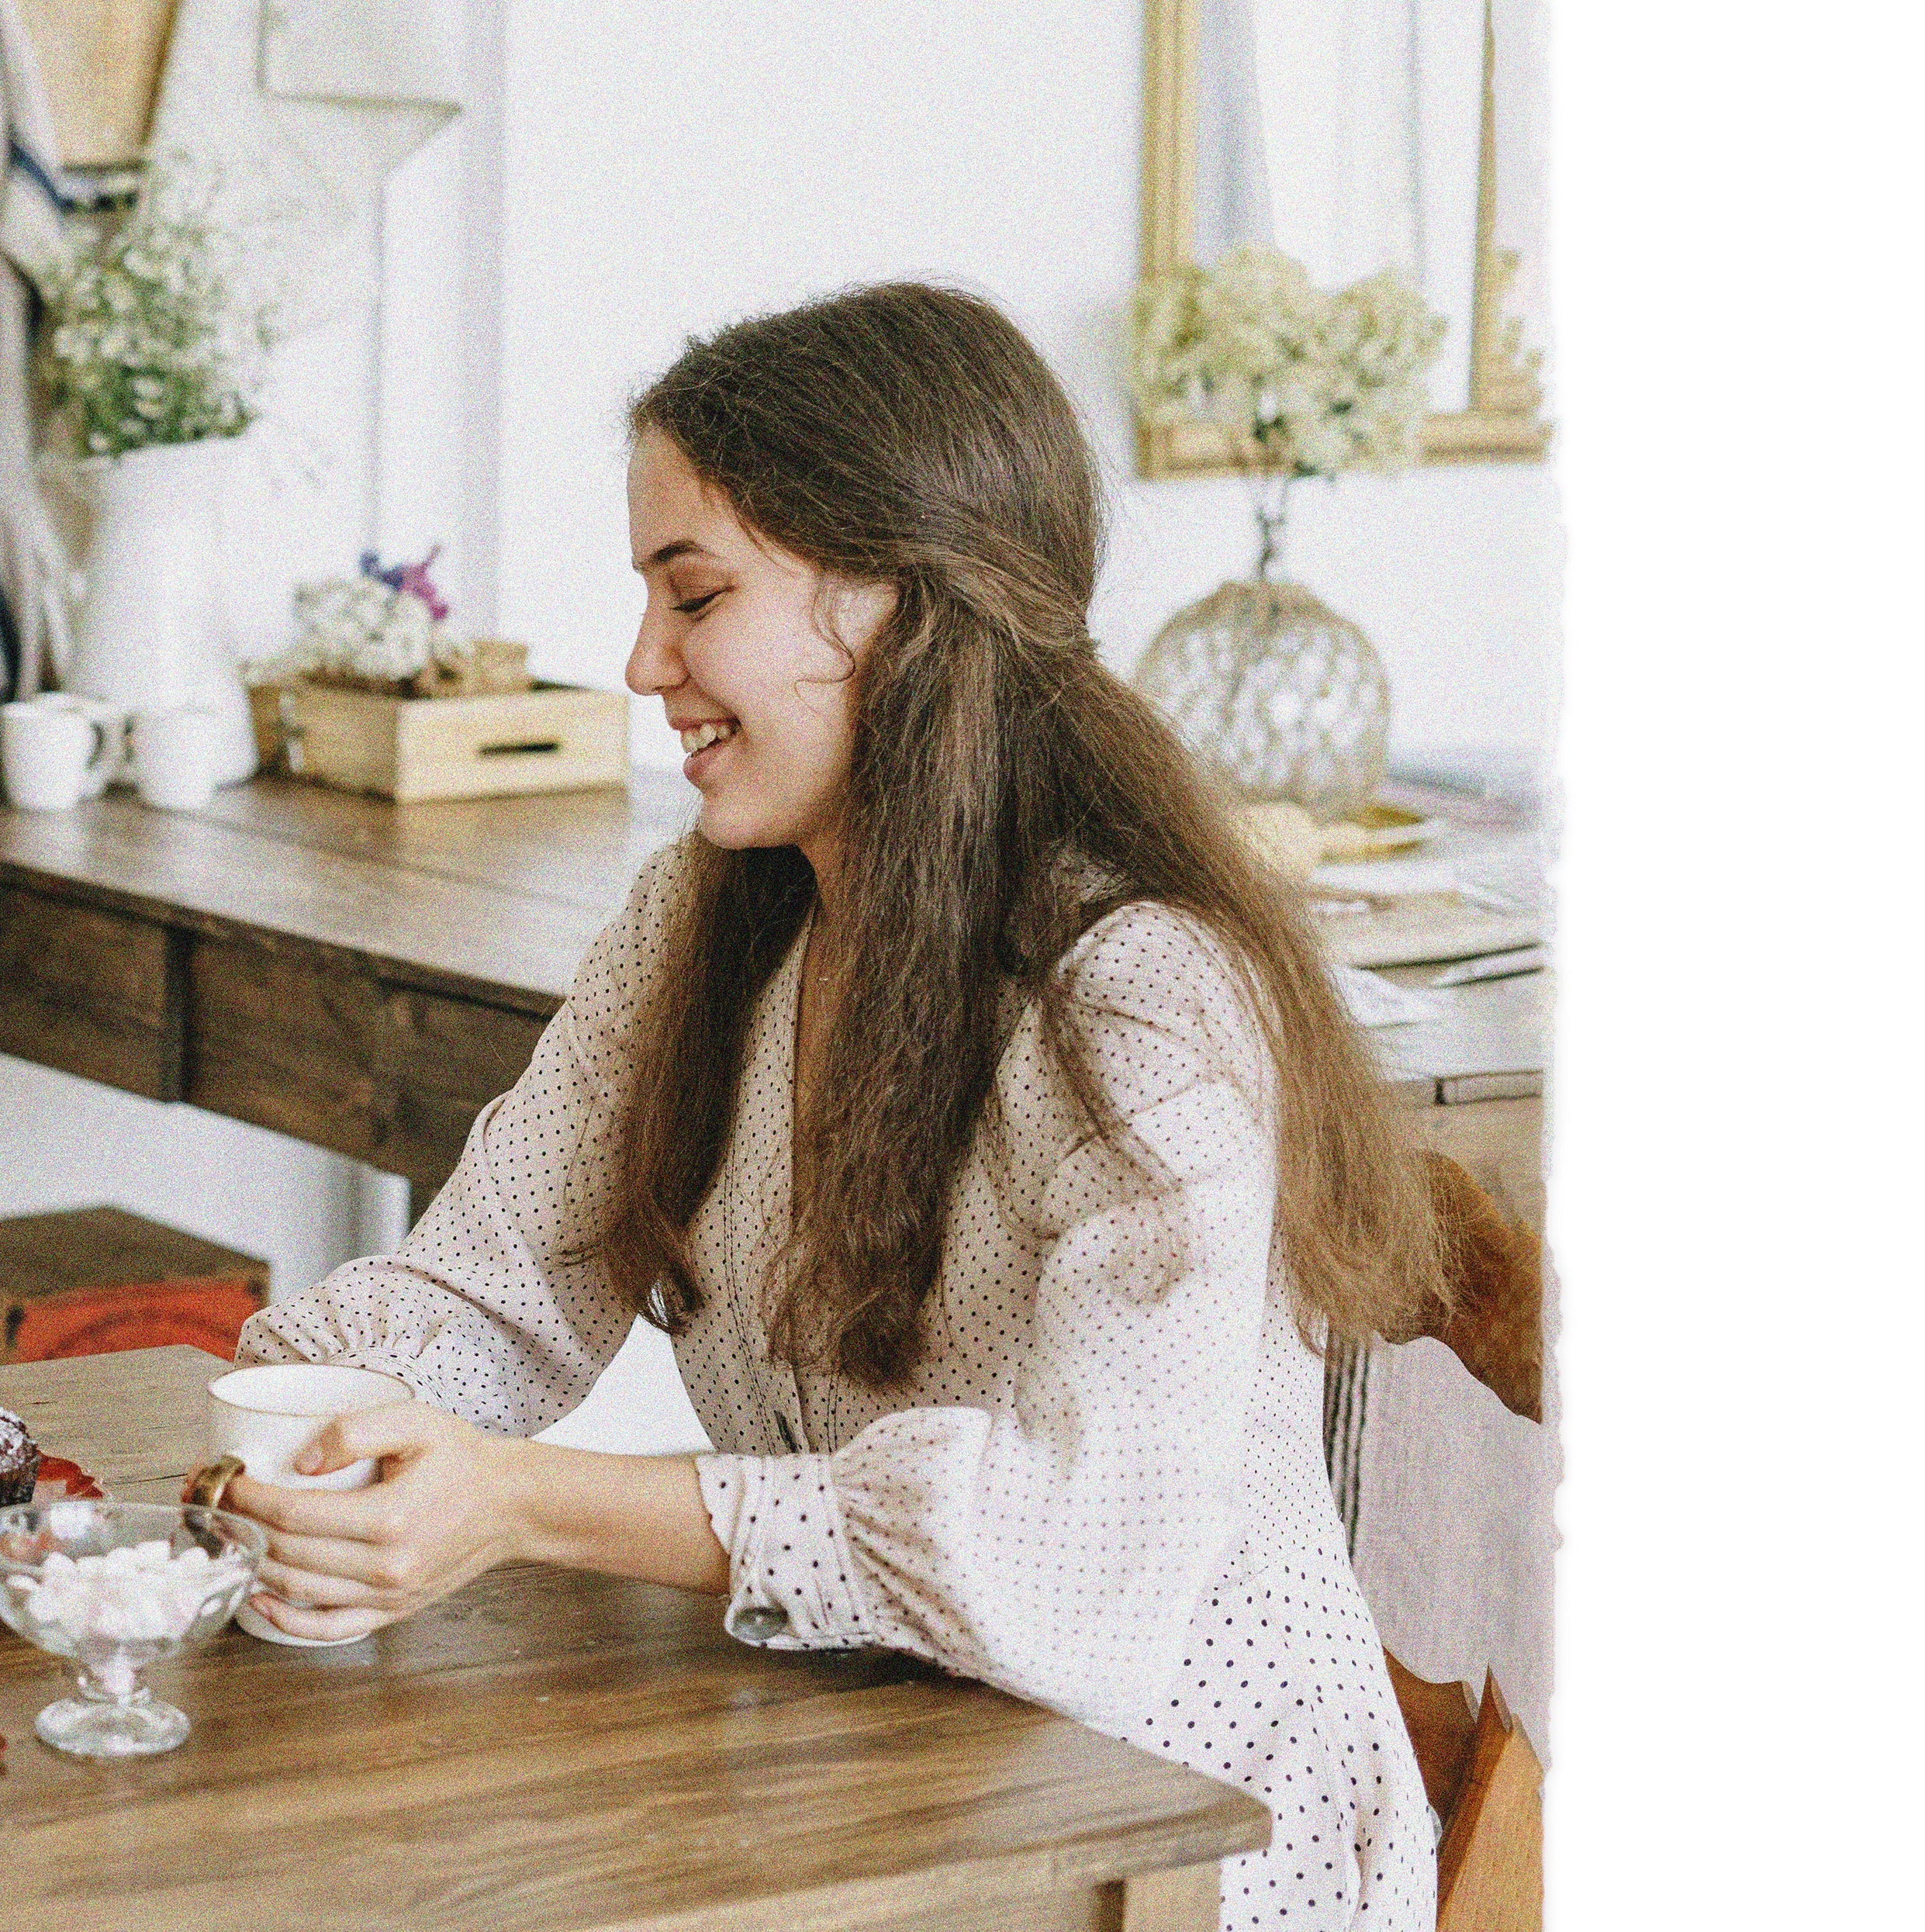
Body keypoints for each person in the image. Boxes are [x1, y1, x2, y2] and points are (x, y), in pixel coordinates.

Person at [219, 283, 1442, 1930]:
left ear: (887, 603)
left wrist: (516, 1500)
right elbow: (487, 1287)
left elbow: (1069, 1564)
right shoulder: (708, 918)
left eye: (695, 593)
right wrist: (284, 1430)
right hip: (877, 1775)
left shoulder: (1141, 994)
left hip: (1170, 1835)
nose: (645, 662)